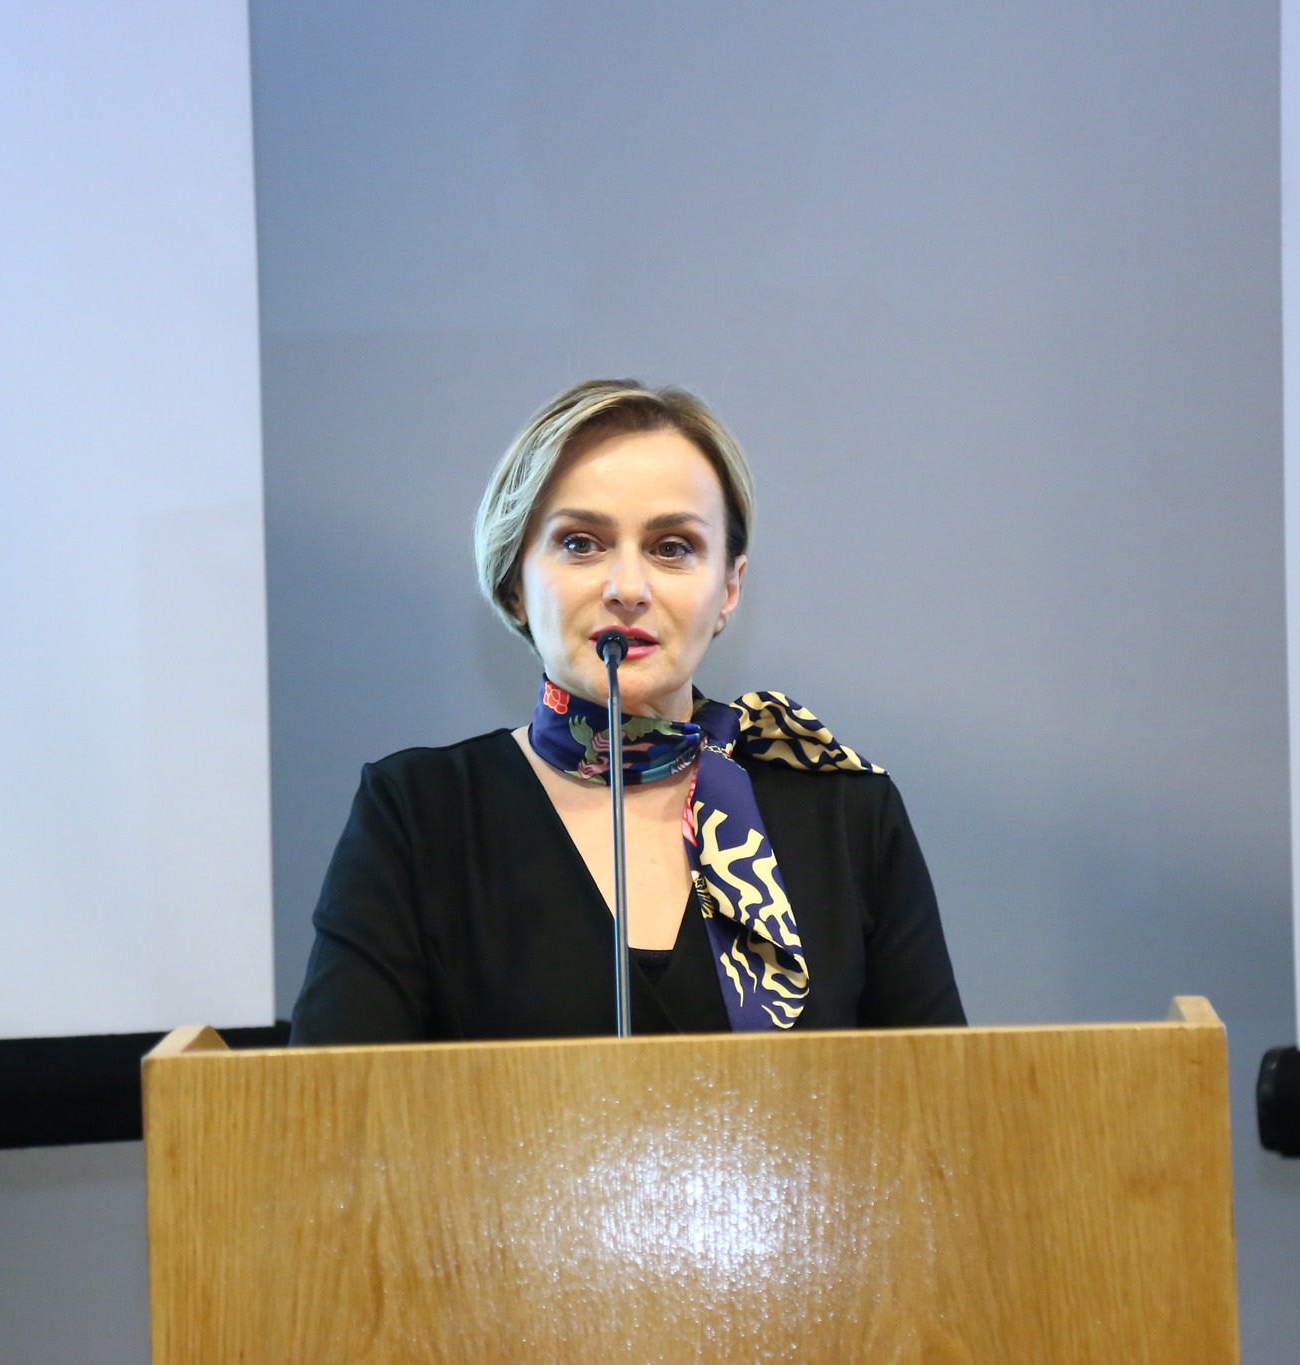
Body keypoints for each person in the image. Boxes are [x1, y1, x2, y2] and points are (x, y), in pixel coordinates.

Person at [288, 380, 964, 1043]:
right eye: (581, 543)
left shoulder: (847, 812)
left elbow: (942, 1102)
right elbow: (336, 1103)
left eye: (673, 548)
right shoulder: (418, 813)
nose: (628, 589)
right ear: (516, 582)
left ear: (729, 589)